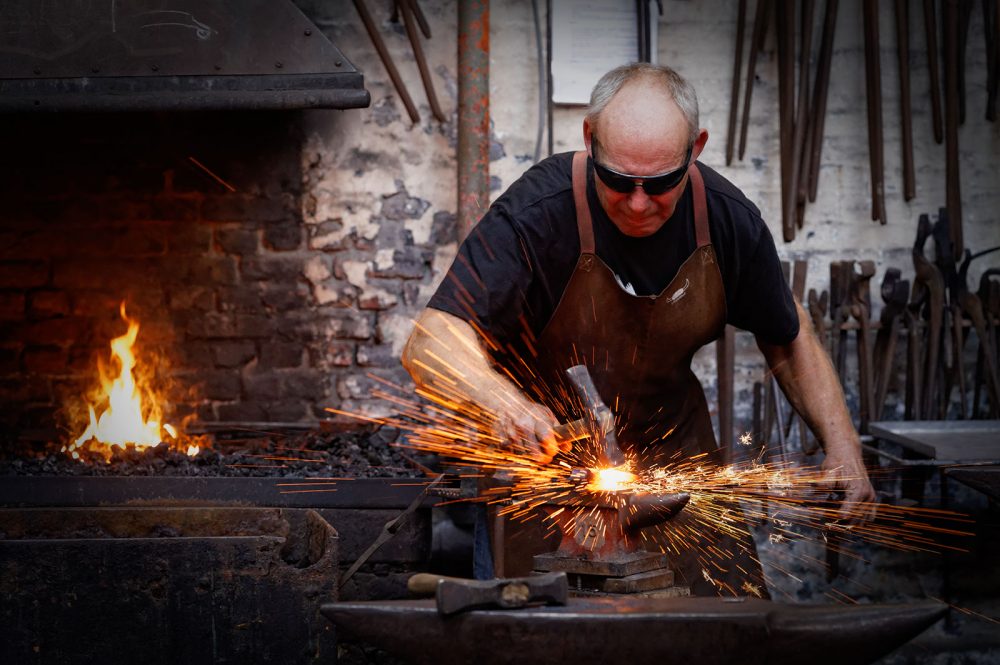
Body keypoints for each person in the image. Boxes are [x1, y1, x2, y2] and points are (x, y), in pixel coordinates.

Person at [402, 63, 875, 593]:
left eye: (662, 183)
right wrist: (507, 405)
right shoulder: (536, 214)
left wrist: (844, 448)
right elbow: (430, 341)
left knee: (724, 632)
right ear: (589, 139)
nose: (638, 203)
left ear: (696, 148)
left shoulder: (726, 218)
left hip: (673, 472)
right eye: (619, 181)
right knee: (542, 634)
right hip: (551, 475)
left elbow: (788, 337)